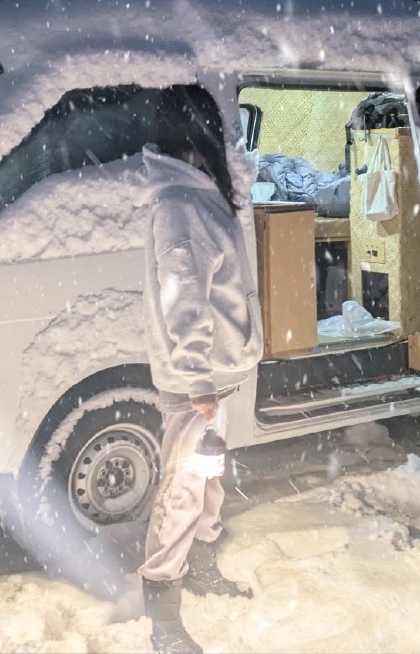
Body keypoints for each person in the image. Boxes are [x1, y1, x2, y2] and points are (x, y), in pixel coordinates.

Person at [135, 86, 263, 654]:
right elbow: (182, 298)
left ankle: (202, 566)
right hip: (199, 384)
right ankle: (163, 615)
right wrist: (197, 379)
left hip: (214, 377)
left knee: (208, 479)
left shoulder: (196, 190)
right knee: (182, 491)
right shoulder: (180, 203)